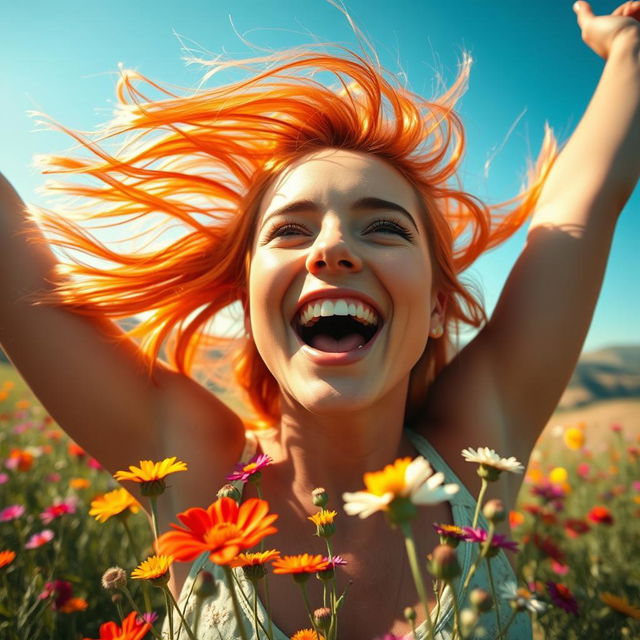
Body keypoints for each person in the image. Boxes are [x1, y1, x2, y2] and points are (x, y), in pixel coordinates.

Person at [1, 1, 638, 638]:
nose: (331, 250)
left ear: (439, 306)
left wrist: (627, 52)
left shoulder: (475, 459)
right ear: (247, 302)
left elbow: (578, 213)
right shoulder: (188, 464)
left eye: (385, 227)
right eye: (291, 230)